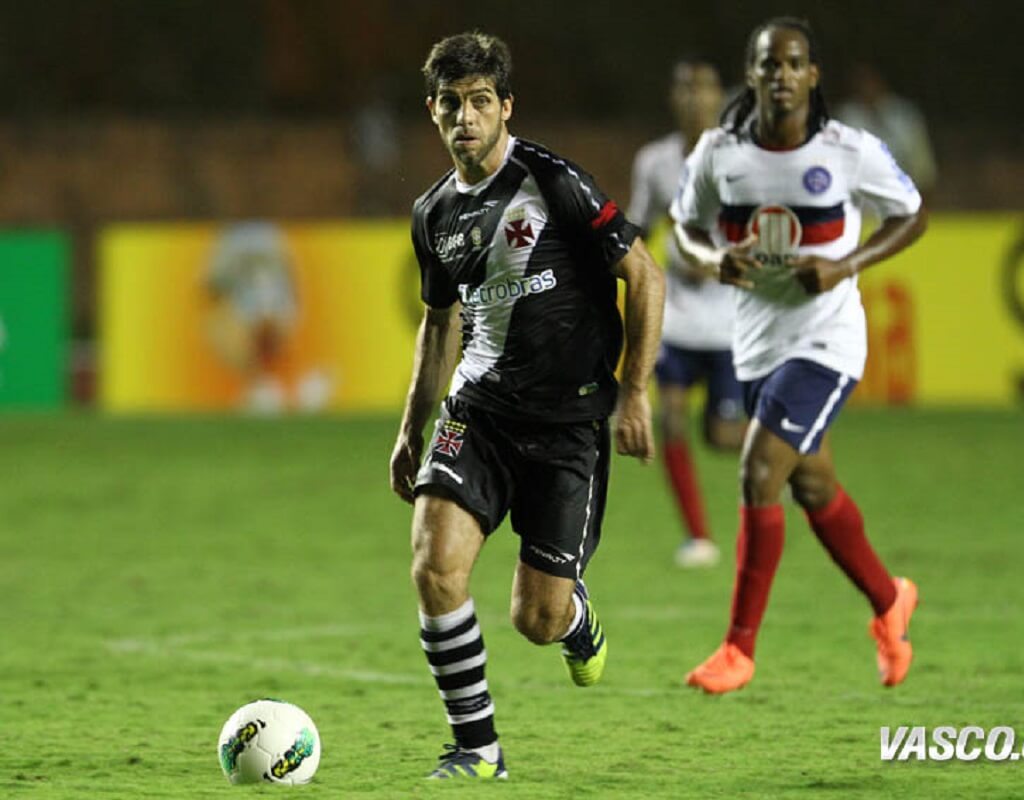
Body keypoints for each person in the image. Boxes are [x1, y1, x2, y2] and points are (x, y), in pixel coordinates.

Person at [389, 31, 665, 779]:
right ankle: (477, 749)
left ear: (506, 107)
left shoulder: (555, 183)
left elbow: (645, 276)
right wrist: (413, 427)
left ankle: (576, 621)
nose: (466, 118)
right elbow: (440, 322)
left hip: (568, 425)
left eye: (481, 102)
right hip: (478, 412)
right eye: (451, 104)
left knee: (534, 619)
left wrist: (634, 391)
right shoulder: (433, 215)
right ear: (433, 112)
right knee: (434, 565)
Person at [671, 17, 928, 695]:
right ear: (751, 75)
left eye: (793, 64)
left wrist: (849, 263)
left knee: (760, 472)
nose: (780, 75)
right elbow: (684, 230)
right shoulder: (719, 155)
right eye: (768, 64)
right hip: (755, 346)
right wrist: (713, 259)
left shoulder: (850, 151)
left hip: (826, 343)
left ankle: (738, 649)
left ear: (812, 77)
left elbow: (911, 213)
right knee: (812, 486)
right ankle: (889, 600)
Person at [628, 59, 744, 569]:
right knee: (670, 420)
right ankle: (698, 536)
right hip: (675, 320)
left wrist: (720, 265)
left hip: (729, 323)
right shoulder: (653, 160)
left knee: (722, 437)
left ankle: (784, 450)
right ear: (673, 99)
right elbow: (637, 227)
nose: (694, 98)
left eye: (703, 88)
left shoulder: (742, 160)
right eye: (684, 89)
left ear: (719, 96)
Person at [835, 62, 937, 191]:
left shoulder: (904, 115)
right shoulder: (846, 117)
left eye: (871, 80)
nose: (867, 87)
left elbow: (923, 168)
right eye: (862, 81)